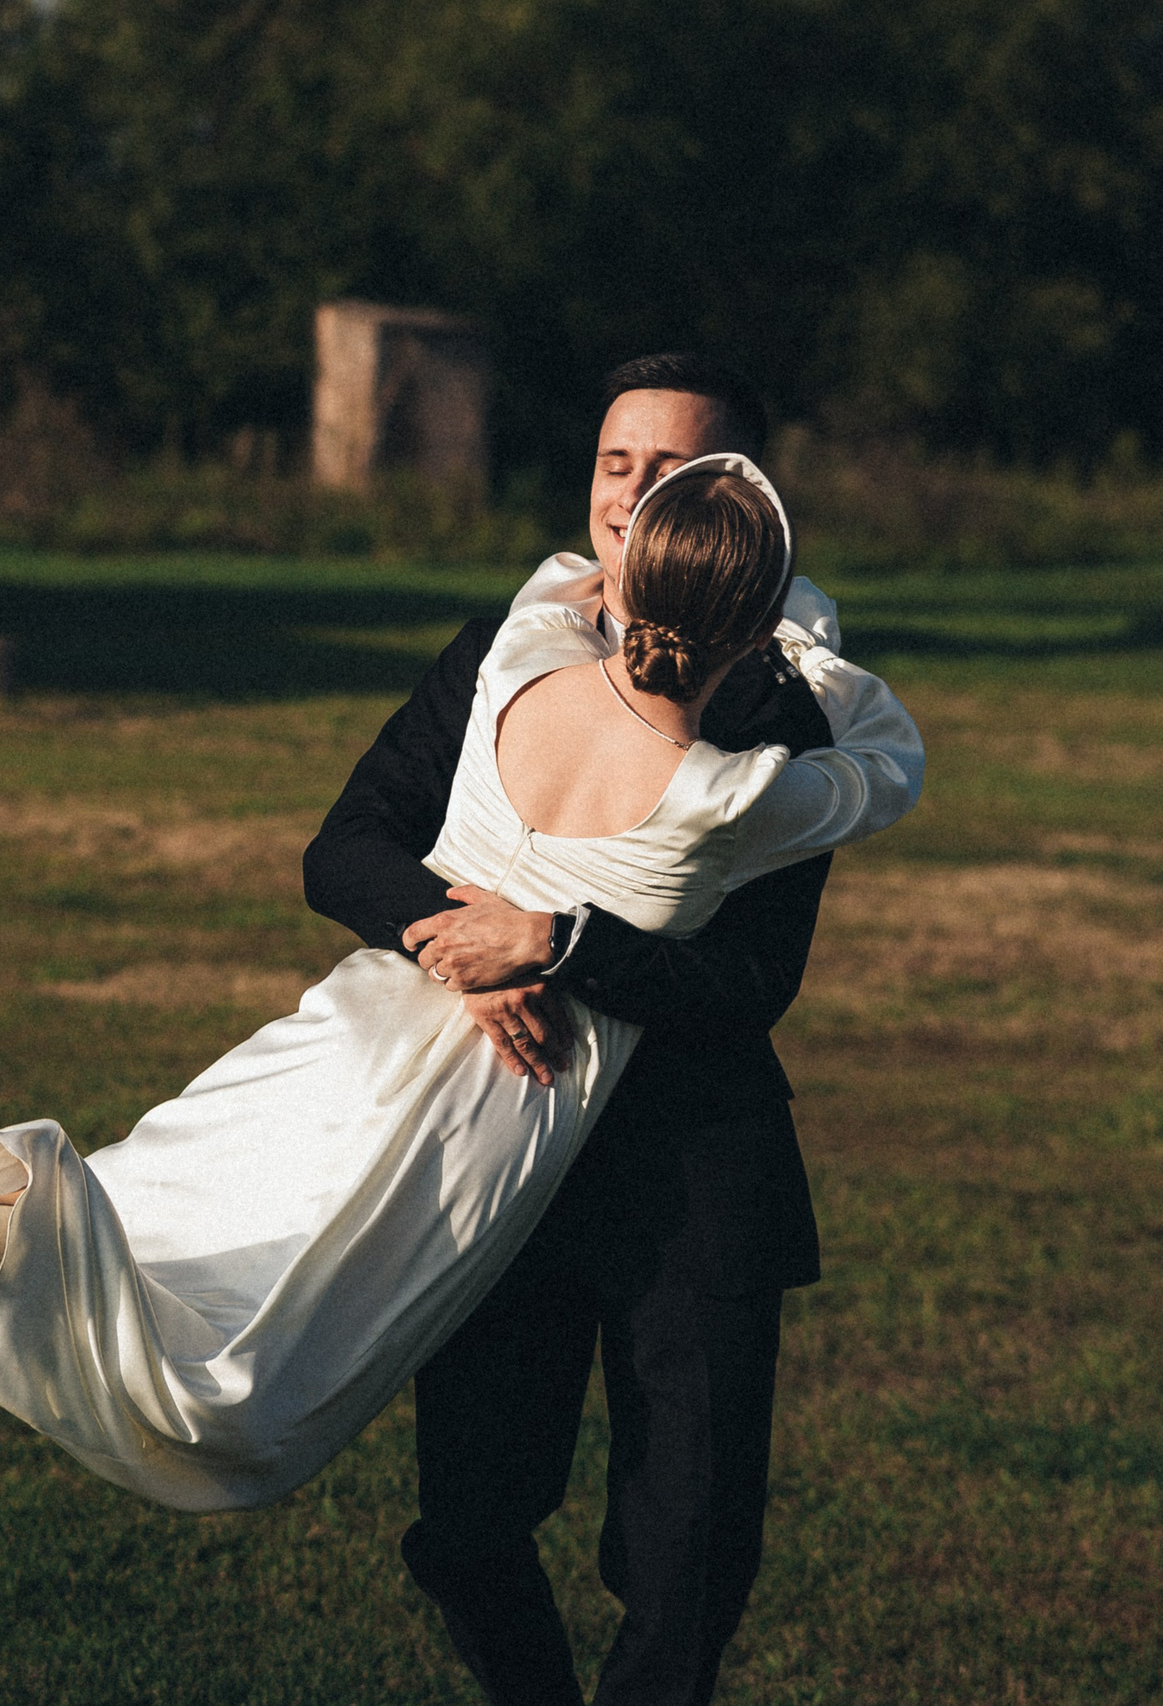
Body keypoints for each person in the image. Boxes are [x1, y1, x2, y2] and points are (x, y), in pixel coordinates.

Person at [0, 422, 918, 1563]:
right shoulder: (730, 796)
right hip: (483, 1113)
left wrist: (618, 607)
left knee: (149, 1211)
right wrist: (788, 635)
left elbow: (558, 585)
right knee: (251, 1389)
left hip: (353, 1030)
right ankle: (16, 1226)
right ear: (748, 624)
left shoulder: (518, 669)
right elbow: (886, 752)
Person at [304, 353, 865, 1705]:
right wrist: (464, 946)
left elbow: (749, 980)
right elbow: (347, 848)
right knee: (469, 1526)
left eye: (677, 470)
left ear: (747, 505)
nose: (637, 493)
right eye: (619, 464)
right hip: (496, 1151)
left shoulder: (788, 711)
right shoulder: (506, 654)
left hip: (691, 1180)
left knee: (689, 1567)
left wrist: (555, 942)